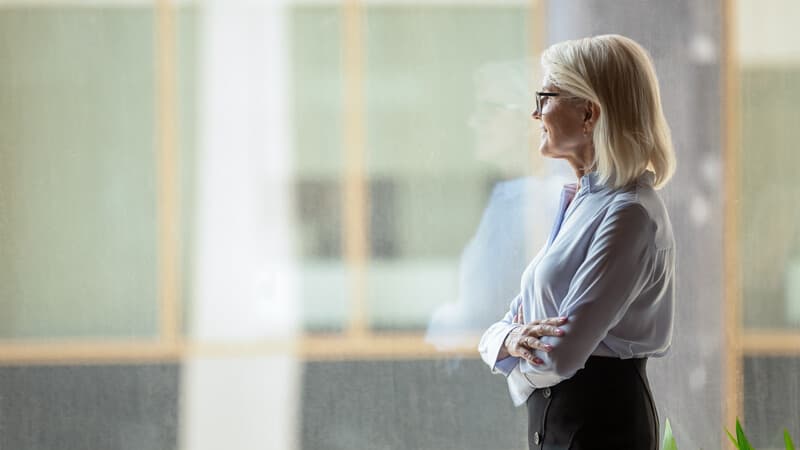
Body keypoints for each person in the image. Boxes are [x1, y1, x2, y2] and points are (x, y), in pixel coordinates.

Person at [478, 34, 677, 450]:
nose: (535, 113)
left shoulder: (630, 214)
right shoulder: (579, 201)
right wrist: (506, 340)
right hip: (561, 422)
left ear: (588, 114)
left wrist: (507, 356)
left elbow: (559, 355)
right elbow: (514, 320)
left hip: (600, 426)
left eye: (545, 96)